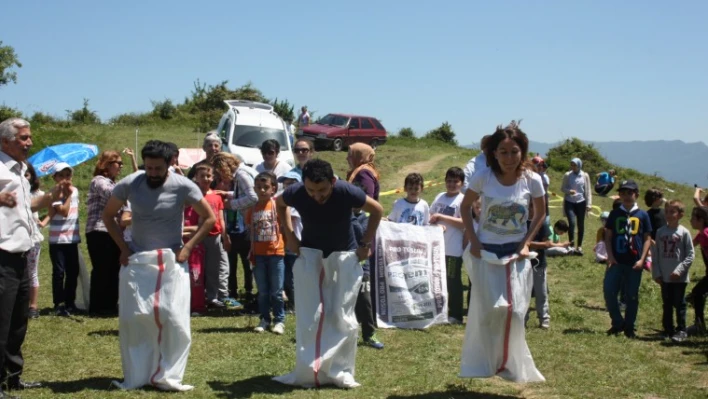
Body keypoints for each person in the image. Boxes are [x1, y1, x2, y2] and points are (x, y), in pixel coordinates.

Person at [102, 140, 216, 391]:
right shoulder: (131, 183)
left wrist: (187, 247)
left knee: (173, 318)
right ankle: (140, 373)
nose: (152, 173)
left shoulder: (183, 186)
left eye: (158, 169)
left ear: (170, 164)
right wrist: (123, 247)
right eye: (149, 168)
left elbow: (209, 218)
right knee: (136, 319)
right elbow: (107, 216)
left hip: (172, 261)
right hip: (139, 260)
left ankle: (168, 374)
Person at [275, 159, 384, 385]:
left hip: (344, 256)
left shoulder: (346, 191)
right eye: (311, 190)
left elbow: (377, 210)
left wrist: (365, 244)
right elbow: (279, 204)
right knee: (310, 315)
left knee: (340, 314)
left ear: (332, 181)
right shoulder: (296, 191)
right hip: (311, 255)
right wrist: (289, 236)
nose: (316, 195)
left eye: (322, 190)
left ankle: (341, 371)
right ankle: (309, 368)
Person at [459, 121, 546, 381]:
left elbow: (540, 212)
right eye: (503, 152)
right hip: (486, 250)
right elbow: (465, 208)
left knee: (516, 312)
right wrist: (474, 241)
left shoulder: (532, 179)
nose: (509, 158)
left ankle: (512, 364)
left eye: (514, 151)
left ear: (523, 151)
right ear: (494, 153)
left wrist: (527, 242)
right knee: (488, 312)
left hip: (516, 252)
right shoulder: (483, 177)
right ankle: (485, 363)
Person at [1, 117, 68, 396]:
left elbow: (27, 206)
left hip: (22, 254)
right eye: (24, 138)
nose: (30, 143)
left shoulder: (20, 170)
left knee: (18, 322)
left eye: (29, 137)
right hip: (2, 255)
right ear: (5, 141)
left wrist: (53, 194)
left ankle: (12, 378)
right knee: (1, 323)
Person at [346, 143, 384, 348]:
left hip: (363, 262)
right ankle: (345, 331)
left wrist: (365, 248)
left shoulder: (364, 175)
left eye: (350, 155)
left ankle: (369, 333)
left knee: (364, 298)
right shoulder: (343, 218)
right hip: (345, 260)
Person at [603, 179, 652, 338]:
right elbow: (608, 236)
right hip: (616, 260)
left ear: (636, 194)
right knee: (609, 291)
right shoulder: (615, 213)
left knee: (631, 295)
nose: (626, 196)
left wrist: (642, 260)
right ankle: (617, 322)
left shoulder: (643, 215)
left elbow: (646, 239)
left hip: (634, 262)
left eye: (629, 193)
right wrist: (610, 256)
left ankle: (630, 326)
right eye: (622, 193)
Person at [212, 152, 258, 307]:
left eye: (219, 171)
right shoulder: (241, 174)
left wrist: (230, 204)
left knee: (248, 261)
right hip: (247, 222)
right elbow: (243, 193)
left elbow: (253, 197)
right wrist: (227, 193)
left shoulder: (242, 175)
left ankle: (250, 291)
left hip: (250, 223)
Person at [192, 161, 238, 310]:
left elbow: (220, 218)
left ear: (213, 178)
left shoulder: (216, 197)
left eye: (208, 176)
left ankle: (212, 297)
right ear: (196, 178)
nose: (205, 179)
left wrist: (225, 236)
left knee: (214, 268)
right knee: (197, 268)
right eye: (202, 176)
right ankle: (197, 296)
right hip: (198, 235)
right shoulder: (192, 196)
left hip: (214, 236)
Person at [247, 172, 287, 334]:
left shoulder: (277, 206)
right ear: (254, 189)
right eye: (259, 188)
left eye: (266, 187)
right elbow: (250, 231)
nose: (262, 190)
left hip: (276, 254)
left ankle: (279, 320)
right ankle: (264, 318)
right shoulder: (253, 209)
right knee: (263, 291)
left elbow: (284, 226)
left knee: (276, 291)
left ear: (273, 189)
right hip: (258, 255)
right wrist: (251, 253)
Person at [86, 150, 124, 316]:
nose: (121, 167)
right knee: (102, 269)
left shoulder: (115, 183)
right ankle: (97, 306)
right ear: (107, 165)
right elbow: (112, 195)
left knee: (113, 268)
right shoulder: (99, 181)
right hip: (99, 230)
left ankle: (109, 304)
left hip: (113, 230)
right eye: (118, 163)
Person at [651, 200, 694, 342]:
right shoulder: (660, 232)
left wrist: (680, 270)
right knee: (667, 303)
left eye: (672, 212)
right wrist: (656, 273)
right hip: (664, 276)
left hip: (679, 277)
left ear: (680, 214)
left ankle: (681, 329)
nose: (668, 215)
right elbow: (655, 254)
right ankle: (668, 329)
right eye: (667, 211)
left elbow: (690, 254)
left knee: (679, 303)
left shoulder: (684, 232)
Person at [429, 167, 466, 324]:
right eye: (449, 181)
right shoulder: (439, 197)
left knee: (453, 282)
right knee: (436, 280)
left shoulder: (463, 200)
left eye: (455, 181)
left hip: (453, 249)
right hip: (437, 248)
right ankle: (439, 310)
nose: (451, 184)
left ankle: (456, 314)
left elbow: (464, 223)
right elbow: (430, 215)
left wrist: (441, 217)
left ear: (462, 183)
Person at [47, 163, 82, 316]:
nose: (65, 179)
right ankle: (58, 303)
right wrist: (66, 196)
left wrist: (69, 194)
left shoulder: (75, 191)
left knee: (73, 271)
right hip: (57, 239)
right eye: (61, 175)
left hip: (72, 237)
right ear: (54, 177)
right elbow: (63, 212)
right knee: (59, 272)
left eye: (67, 175)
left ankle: (70, 302)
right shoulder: (54, 193)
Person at [24, 163, 49, 320]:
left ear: (32, 176)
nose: (25, 177)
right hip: (12, 239)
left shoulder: (37, 193)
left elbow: (52, 207)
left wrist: (44, 221)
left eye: (28, 174)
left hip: (32, 238)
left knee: (32, 272)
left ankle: (33, 306)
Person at [277, 171, 303, 312]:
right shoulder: (283, 201)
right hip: (283, 245)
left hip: (295, 244)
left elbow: (289, 218)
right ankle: (291, 302)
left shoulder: (299, 203)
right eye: (286, 183)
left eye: (292, 183)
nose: (288, 186)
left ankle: (294, 304)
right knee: (286, 276)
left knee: (292, 278)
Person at [526, 202, 552, 329]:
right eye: (528, 206)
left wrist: (529, 243)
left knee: (541, 292)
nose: (530, 209)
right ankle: (522, 317)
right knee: (522, 292)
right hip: (522, 263)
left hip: (538, 263)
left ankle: (544, 318)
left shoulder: (541, 223)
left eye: (532, 207)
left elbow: (547, 243)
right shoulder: (519, 222)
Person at [561, 158, 593, 255]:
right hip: (569, 202)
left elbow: (588, 191)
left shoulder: (585, 175)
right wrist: (569, 191)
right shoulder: (567, 175)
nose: (573, 167)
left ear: (579, 165)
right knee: (572, 222)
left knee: (580, 224)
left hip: (581, 202)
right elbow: (562, 188)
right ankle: (571, 245)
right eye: (571, 165)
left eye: (574, 165)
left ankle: (579, 246)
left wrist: (589, 204)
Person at [686, 206, 708, 336]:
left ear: (700, 220)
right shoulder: (702, 234)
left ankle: (699, 326)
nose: (690, 220)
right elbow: (689, 246)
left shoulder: (705, 234)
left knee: (697, 293)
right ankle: (699, 325)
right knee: (697, 293)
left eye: (693, 218)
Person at [531, 156, 550, 226]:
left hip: (543, 203)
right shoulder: (528, 176)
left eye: (541, 165)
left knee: (545, 225)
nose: (540, 167)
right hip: (531, 205)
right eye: (538, 165)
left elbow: (545, 189)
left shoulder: (544, 177)